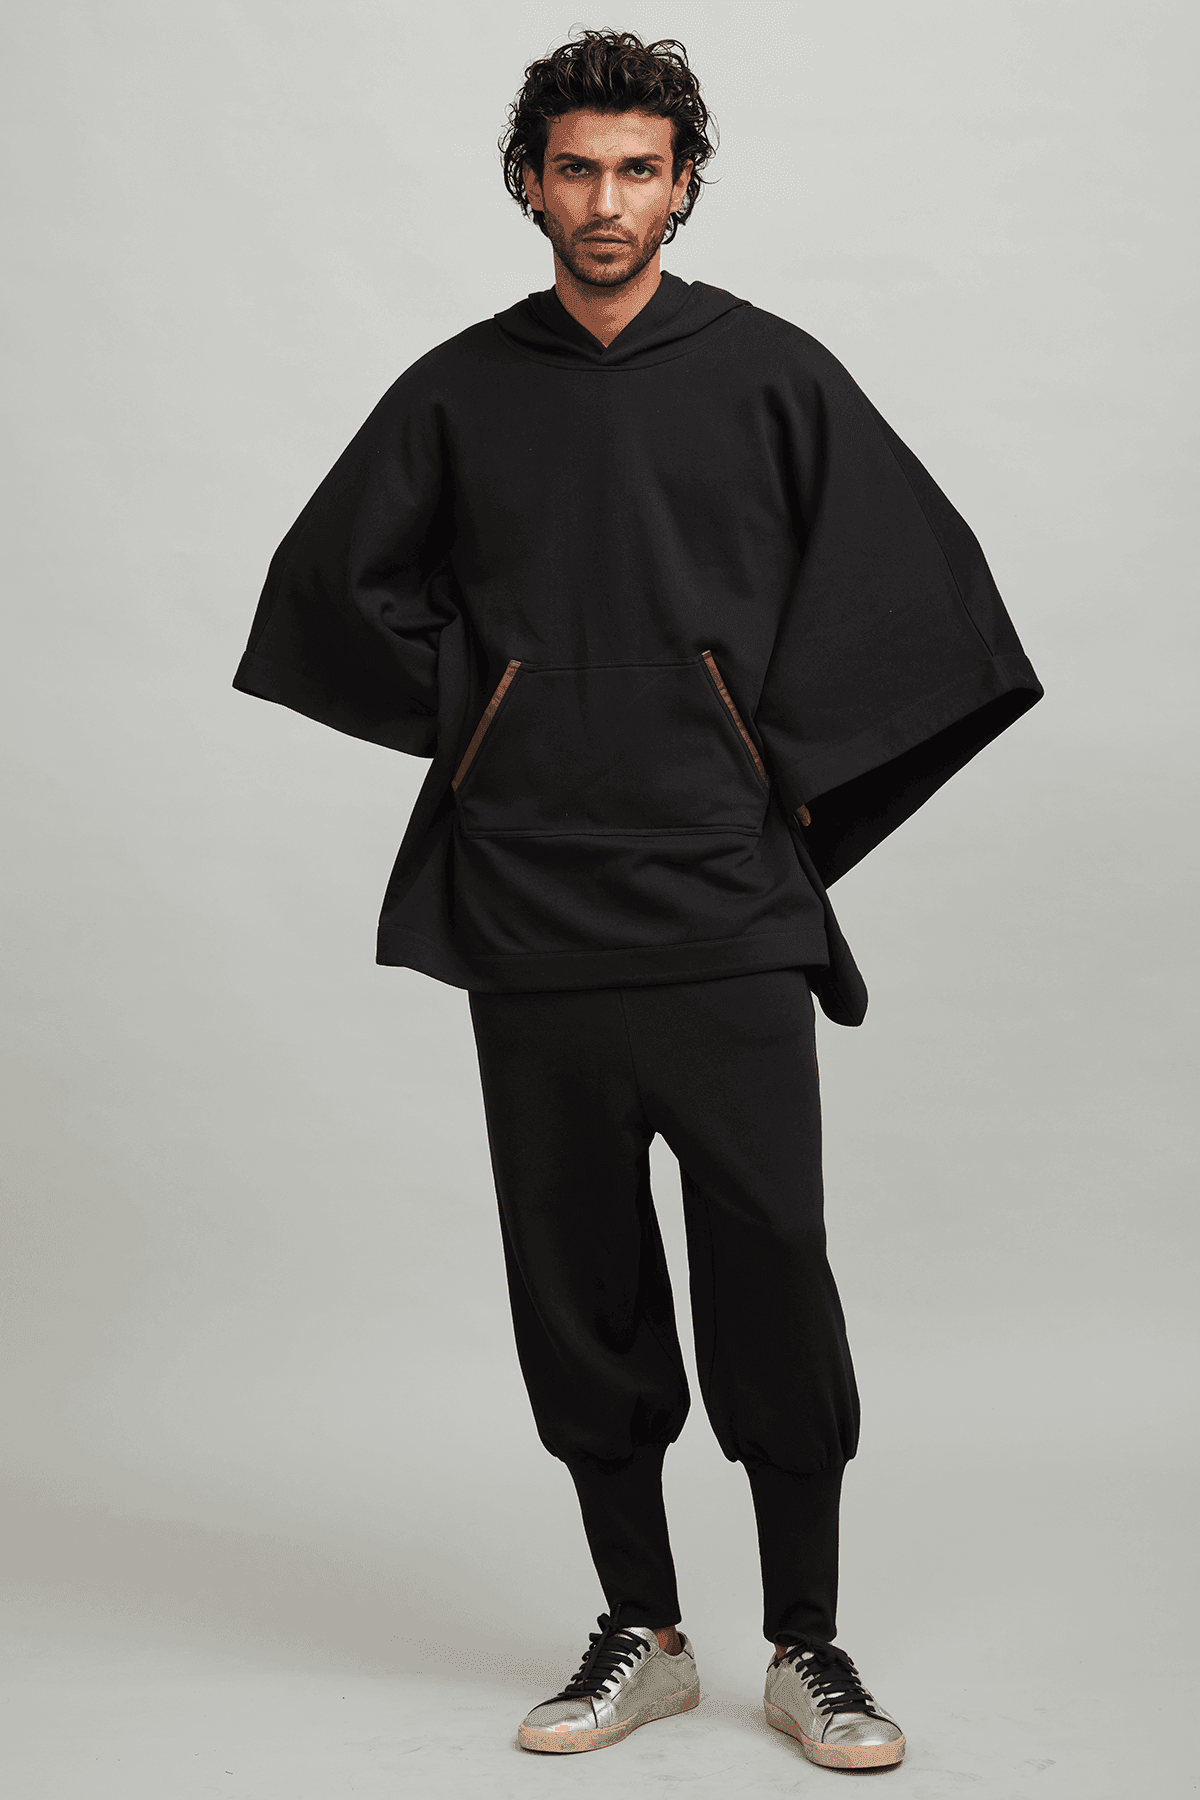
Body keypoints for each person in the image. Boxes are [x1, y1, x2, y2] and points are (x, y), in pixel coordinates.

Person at [233, 28, 1041, 1771]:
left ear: (684, 186)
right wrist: (496, 716)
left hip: (724, 902)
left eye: (639, 170)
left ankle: (810, 1644)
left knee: (772, 1272)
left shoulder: (770, 373)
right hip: (530, 909)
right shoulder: (461, 390)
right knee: (577, 1282)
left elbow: (917, 597)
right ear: (530, 184)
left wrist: (772, 766)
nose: (607, 200)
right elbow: (328, 589)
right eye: (577, 168)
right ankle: (642, 1633)